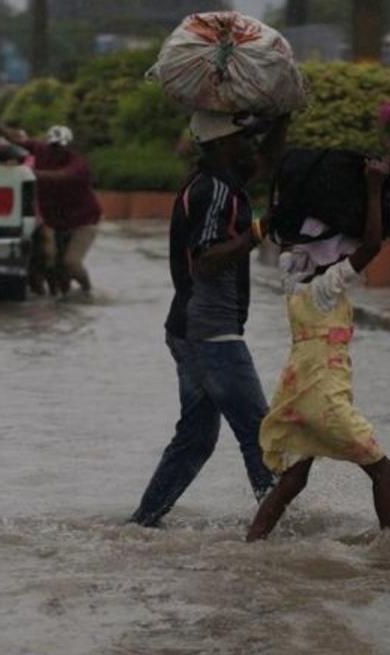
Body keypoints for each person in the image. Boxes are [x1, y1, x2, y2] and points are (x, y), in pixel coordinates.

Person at [128, 111, 289, 528]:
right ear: (222, 145)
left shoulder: (225, 183)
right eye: (245, 138)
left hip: (189, 329)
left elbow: (267, 161)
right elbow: (205, 262)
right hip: (210, 330)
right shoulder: (212, 192)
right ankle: (277, 534)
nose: (254, 145)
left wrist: (282, 115)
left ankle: (143, 524)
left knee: (196, 438)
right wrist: (260, 230)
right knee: (260, 433)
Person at [246, 159, 390, 542]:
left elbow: (289, 239)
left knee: (294, 479)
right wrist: (374, 190)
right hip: (323, 395)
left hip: (296, 392)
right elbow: (373, 245)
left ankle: (253, 545)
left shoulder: (293, 279)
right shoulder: (327, 286)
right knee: (385, 473)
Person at [0, 123, 102, 295]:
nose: (56, 150)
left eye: (60, 146)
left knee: (71, 263)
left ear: (69, 146)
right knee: (56, 270)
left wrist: (26, 172)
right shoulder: (42, 149)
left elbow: (61, 177)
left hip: (84, 221)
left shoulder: (78, 165)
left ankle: (88, 292)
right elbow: (16, 139)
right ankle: (64, 302)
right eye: (53, 145)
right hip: (57, 221)